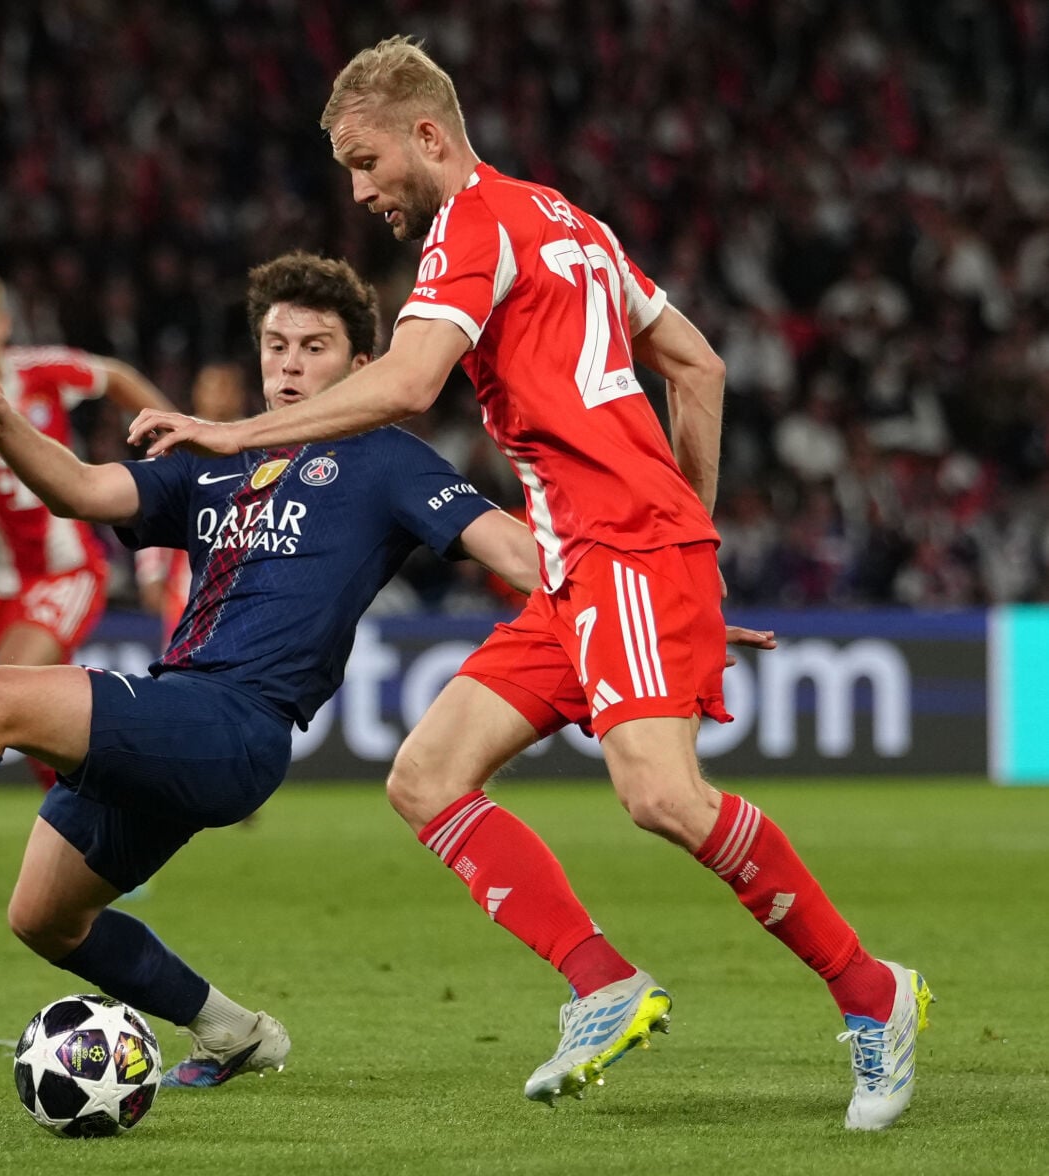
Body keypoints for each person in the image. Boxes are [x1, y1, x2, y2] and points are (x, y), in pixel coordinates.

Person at [0, 253, 772, 1088]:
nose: (288, 363)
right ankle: (236, 1032)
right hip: (180, 710)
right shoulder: (219, 455)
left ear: (359, 363)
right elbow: (86, 492)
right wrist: (1, 425)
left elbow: (515, 551)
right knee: (42, 918)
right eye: (275, 344)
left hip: (238, 725)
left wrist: (654, 603)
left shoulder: (387, 458)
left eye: (314, 347)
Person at [126, 38, 925, 1130]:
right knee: (426, 775)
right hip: (585, 565)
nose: (358, 193)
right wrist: (686, 545)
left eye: (365, 163)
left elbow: (408, 383)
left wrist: (230, 432)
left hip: (620, 548)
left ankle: (873, 994)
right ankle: (602, 984)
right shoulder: (565, 218)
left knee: (659, 796)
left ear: (426, 135)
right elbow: (697, 366)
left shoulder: (472, 226)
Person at [0, 268, 175, 787]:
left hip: (66, 570)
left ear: (3, 325)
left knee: (2, 691)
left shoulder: (40, 371)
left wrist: (177, 431)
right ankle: (121, 804)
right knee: (41, 736)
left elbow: (115, 376)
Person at [134, 363, 248, 645]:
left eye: (227, 387)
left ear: (240, 395)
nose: (220, 395)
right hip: (188, 586)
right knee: (182, 660)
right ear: (198, 393)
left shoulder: (260, 444)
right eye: (212, 387)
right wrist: (151, 573)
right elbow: (152, 509)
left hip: (247, 579)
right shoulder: (174, 447)